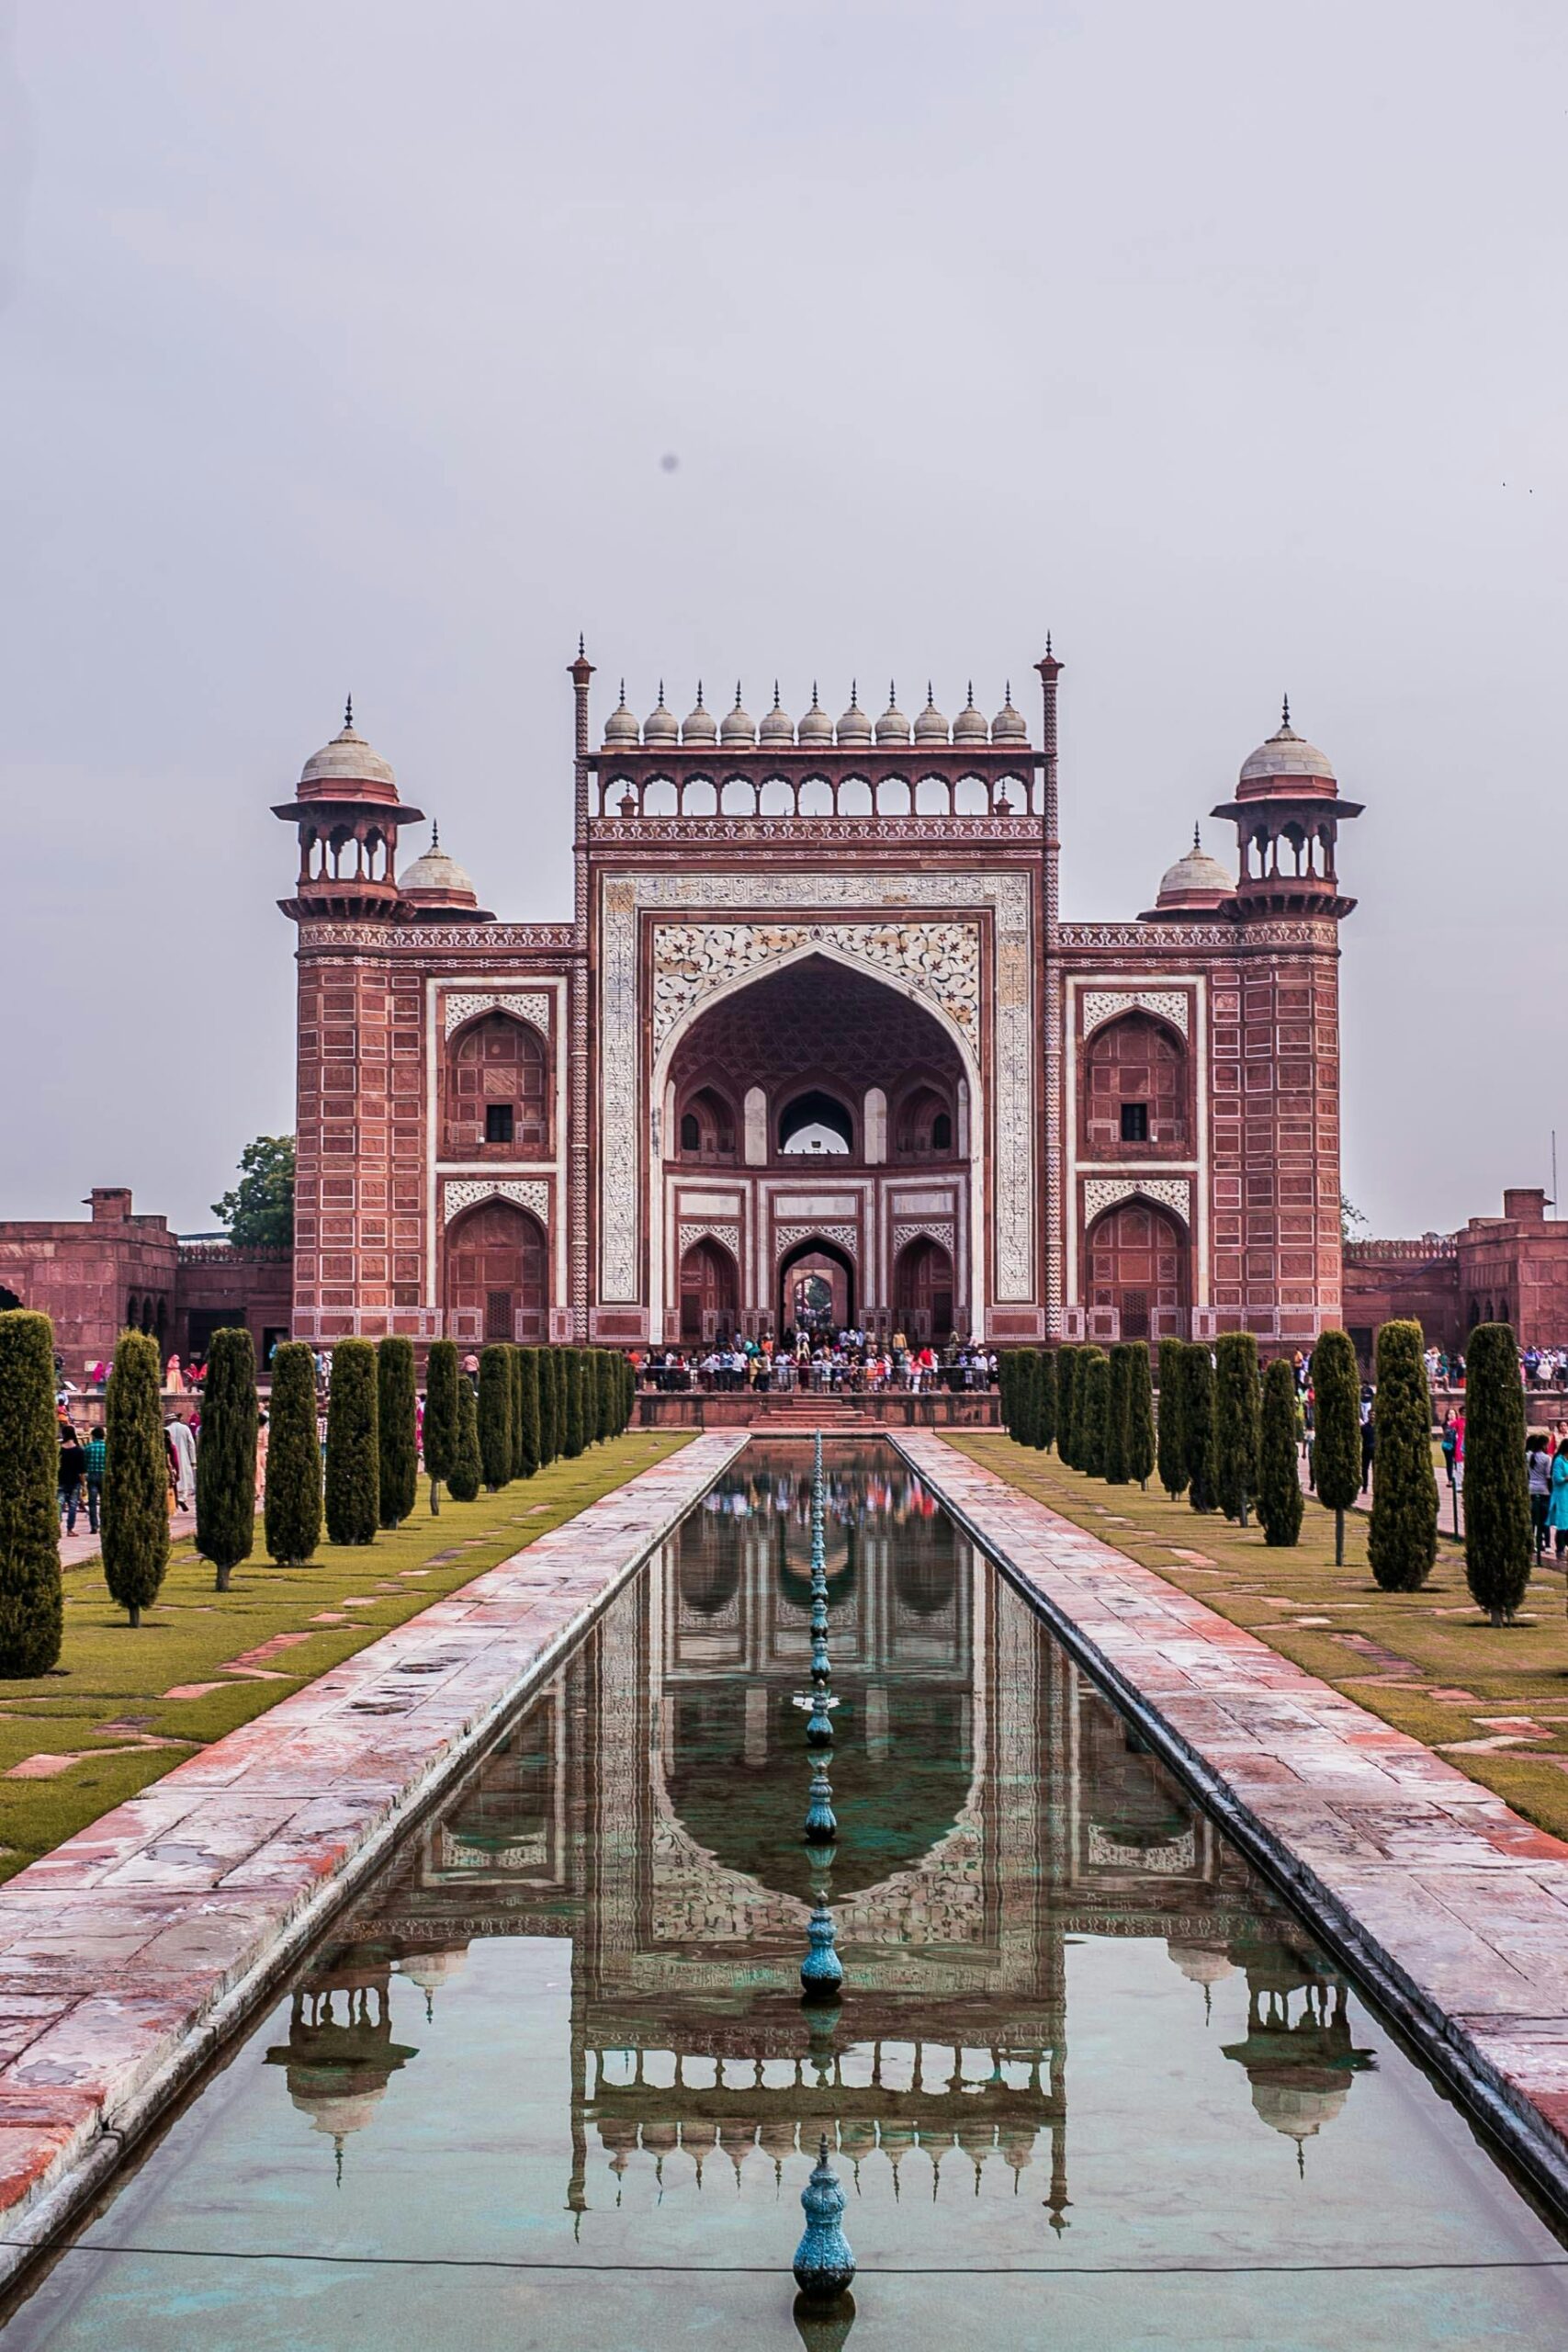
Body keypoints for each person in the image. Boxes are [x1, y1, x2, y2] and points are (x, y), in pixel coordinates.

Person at [1527, 1436, 1553, 1562]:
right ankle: (1546, 1544)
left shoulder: (1528, 1456)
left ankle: (1532, 1542)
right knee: (1544, 1519)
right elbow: (1548, 1476)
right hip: (1543, 1490)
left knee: (1532, 1518)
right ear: (1543, 1445)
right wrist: (1550, 1490)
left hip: (1531, 1488)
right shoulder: (1546, 1458)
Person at [57, 1426, 87, 1536]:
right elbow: (81, 1471)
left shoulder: (59, 1450)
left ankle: (57, 1526)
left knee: (59, 1504)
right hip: (74, 1481)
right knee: (73, 1506)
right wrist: (84, 1486)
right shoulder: (79, 1450)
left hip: (60, 1480)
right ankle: (70, 1529)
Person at [165, 1415, 197, 1513]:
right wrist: (193, 1459)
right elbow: (191, 1444)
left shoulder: (166, 1430)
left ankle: (176, 1498)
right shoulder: (185, 1428)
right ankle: (183, 1498)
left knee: (173, 1477)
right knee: (185, 1476)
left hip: (171, 1456)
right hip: (184, 1455)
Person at [84, 1422, 107, 1535]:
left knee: (92, 1502)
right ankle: (104, 1525)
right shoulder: (107, 1447)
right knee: (104, 1502)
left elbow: (84, 1463)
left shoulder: (88, 1447)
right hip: (104, 1476)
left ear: (93, 1436)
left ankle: (94, 1526)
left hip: (92, 1476)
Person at [1549, 1439, 1568, 1563]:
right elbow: (1556, 1479)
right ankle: (1560, 1550)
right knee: (1562, 1524)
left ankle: (1563, 1548)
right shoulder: (1559, 1460)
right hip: (1561, 1496)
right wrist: (1565, 1478)